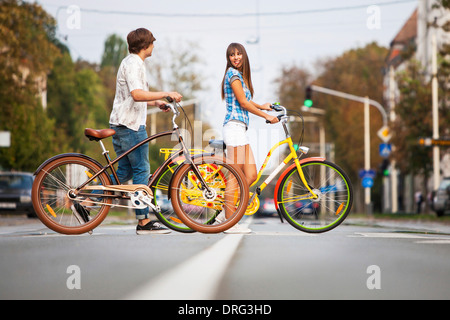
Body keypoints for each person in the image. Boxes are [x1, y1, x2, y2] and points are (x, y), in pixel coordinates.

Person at [108, 28, 182, 234]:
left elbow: (133, 97)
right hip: (130, 126)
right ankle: (143, 222)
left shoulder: (132, 63)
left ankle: (86, 201)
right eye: (152, 43)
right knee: (142, 170)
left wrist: (157, 102)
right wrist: (166, 93)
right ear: (145, 45)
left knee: (124, 171)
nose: (154, 46)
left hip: (124, 123)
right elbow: (137, 95)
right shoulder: (133, 64)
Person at [216, 43, 279, 234]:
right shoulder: (232, 75)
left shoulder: (240, 76)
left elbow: (246, 101)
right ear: (228, 58)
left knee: (250, 175)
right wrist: (266, 116)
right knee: (235, 177)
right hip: (233, 127)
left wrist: (263, 106)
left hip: (240, 129)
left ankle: (222, 215)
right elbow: (242, 102)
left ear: (244, 56)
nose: (235, 57)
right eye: (232, 55)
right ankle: (229, 222)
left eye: (238, 54)